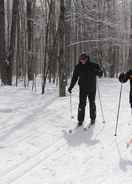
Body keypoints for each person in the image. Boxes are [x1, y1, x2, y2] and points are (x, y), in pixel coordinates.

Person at [68, 53, 103, 127]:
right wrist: (71, 87)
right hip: (83, 88)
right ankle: (80, 120)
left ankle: (93, 118)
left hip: (92, 88)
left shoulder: (93, 65)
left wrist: (97, 72)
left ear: (87, 58)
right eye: (81, 59)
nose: (82, 61)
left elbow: (100, 74)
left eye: (83, 59)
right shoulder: (78, 67)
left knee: (92, 103)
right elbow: (74, 78)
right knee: (81, 104)